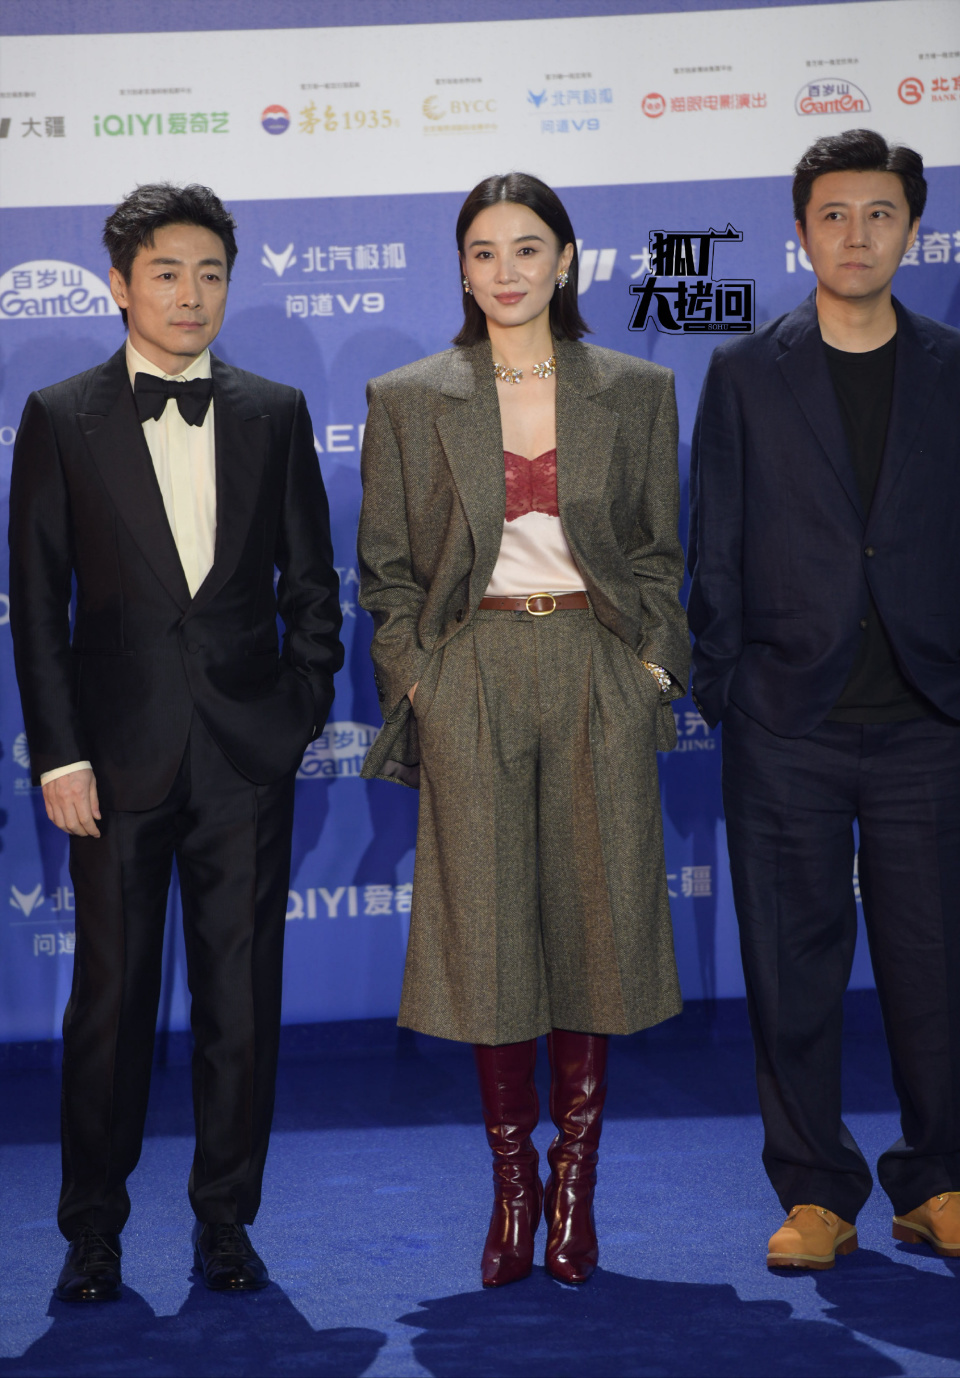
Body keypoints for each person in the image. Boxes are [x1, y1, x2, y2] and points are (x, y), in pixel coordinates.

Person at [9, 183, 343, 1301]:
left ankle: (226, 1221)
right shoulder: (60, 416)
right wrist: (59, 755)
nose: (190, 294)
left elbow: (313, 585)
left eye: (210, 273)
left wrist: (298, 710)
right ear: (120, 284)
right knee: (109, 1004)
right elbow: (37, 605)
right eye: (166, 273)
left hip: (246, 757)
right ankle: (92, 1231)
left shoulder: (274, 412)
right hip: (112, 764)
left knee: (239, 1003)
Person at [357, 173, 689, 1287]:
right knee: (491, 940)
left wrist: (650, 671)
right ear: (462, 269)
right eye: (485, 251)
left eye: (529, 247)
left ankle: (576, 1187)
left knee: (596, 928)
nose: (507, 270)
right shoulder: (409, 398)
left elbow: (658, 555)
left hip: (596, 662)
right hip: (472, 670)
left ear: (567, 260)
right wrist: (419, 682)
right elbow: (386, 573)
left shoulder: (636, 389)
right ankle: (514, 1187)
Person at [688, 129, 960, 1270]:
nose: (858, 235)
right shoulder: (747, 372)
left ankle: (938, 1179)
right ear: (801, 231)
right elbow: (715, 545)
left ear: (915, 229)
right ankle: (815, 1193)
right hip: (784, 722)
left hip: (928, 721)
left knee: (936, 969)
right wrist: (729, 688)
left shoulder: (952, 367)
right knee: (790, 969)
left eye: (880, 213)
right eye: (835, 214)